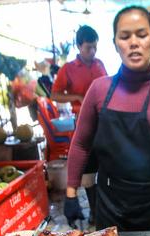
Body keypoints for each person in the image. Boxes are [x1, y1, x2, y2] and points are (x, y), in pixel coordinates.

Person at [64, 6, 150, 231]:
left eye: (142, 34)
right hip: (110, 204)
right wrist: (70, 193)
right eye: (125, 37)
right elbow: (81, 143)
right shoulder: (98, 89)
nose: (134, 43)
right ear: (115, 43)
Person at [51, 25, 107, 225]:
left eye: (95, 47)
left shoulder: (100, 64)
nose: (92, 52)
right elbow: (54, 94)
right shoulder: (68, 69)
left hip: (104, 124)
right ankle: (94, 211)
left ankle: (106, 207)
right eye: (88, 48)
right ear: (78, 46)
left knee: (107, 168)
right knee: (89, 172)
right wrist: (76, 96)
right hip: (83, 124)